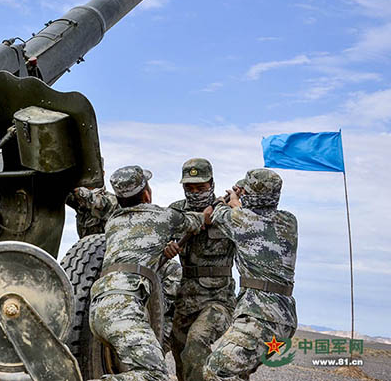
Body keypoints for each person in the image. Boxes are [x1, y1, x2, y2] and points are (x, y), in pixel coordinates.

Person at [85, 165, 210, 381]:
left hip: (97, 310)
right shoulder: (163, 217)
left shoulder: (113, 220)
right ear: (146, 192)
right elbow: (197, 222)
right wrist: (210, 213)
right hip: (124, 309)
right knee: (154, 375)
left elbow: (138, 244)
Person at [202, 169, 297, 380]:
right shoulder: (289, 221)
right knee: (237, 372)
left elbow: (214, 213)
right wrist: (240, 203)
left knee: (216, 370)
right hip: (283, 317)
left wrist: (226, 199)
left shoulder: (241, 219)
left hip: (260, 315)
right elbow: (255, 220)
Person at [164, 159, 236, 381]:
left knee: (197, 341)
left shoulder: (226, 213)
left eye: (201, 187)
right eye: (189, 188)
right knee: (182, 355)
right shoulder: (175, 211)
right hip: (185, 298)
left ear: (211, 184)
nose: (195, 192)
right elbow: (156, 245)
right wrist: (166, 248)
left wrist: (237, 208)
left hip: (218, 299)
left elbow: (251, 236)